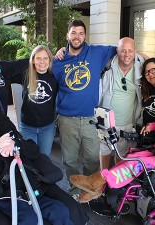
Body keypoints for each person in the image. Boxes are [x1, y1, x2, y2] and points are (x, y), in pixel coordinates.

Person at [69, 74, 155, 203]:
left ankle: (96, 182)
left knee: (137, 164)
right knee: (129, 157)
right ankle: (98, 188)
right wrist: (152, 126)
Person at [0, 109, 88, 225]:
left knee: (58, 210)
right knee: (29, 219)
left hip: (32, 191)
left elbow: (35, 151)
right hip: (5, 199)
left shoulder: (12, 140)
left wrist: (16, 144)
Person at [52, 19, 116, 188]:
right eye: (73, 33)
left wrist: (145, 58)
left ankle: (91, 190)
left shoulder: (96, 53)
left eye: (81, 33)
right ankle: (74, 189)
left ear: (85, 36)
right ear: (67, 35)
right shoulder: (57, 61)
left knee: (92, 159)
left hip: (90, 119)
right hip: (67, 119)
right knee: (70, 160)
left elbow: (123, 50)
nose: (77, 36)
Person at [99, 37, 145, 169]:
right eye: (123, 50)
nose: (126, 55)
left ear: (135, 51)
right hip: (107, 121)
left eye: (130, 51)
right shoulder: (107, 65)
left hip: (128, 122)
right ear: (117, 51)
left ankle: (118, 186)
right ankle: (104, 182)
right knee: (105, 151)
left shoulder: (142, 67)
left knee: (122, 155)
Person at [19, 45, 58, 155]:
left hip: (47, 127)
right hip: (27, 126)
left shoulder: (55, 76)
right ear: (32, 60)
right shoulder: (25, 74)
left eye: (45, 58)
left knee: (44, 159)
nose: (42, 62)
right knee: (29, 159)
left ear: (50, 60)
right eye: (38, 58)